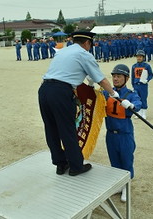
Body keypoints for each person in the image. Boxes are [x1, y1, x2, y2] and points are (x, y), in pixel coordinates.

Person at [38, 31, 120, 176]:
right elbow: (101, 79)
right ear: (87, 43)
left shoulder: (63, 52)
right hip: (60, 92)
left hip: (44, 90)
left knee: (51, 129)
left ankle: (60, 164)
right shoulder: (84, 54)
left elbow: (71, 71)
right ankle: (76, 166)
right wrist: (114, 94)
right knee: (67, 129)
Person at [102, 64, 141, 202]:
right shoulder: (107, 92)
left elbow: (138, 103)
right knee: (115, 161)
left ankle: (126, 186)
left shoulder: (131, 94)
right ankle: (118, 185)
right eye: (113, 76)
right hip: (110, 134)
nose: (115, 79)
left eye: (118, 76)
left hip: (124, 134)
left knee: (126, 160)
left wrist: (131, 105)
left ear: (126, 78)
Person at [131, 50, 153, 119]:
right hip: (136, 84)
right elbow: (133, 76)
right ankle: (139, 112)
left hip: (143, 85)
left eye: (140, 57)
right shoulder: (134, 66)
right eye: (138, 57)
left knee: (143, 98)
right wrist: (133, 84)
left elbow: (151, 74)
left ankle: (144, 113)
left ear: (143, 58)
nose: (139, 58)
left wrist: (147, 80)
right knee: (137, 98)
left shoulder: (147, 66)